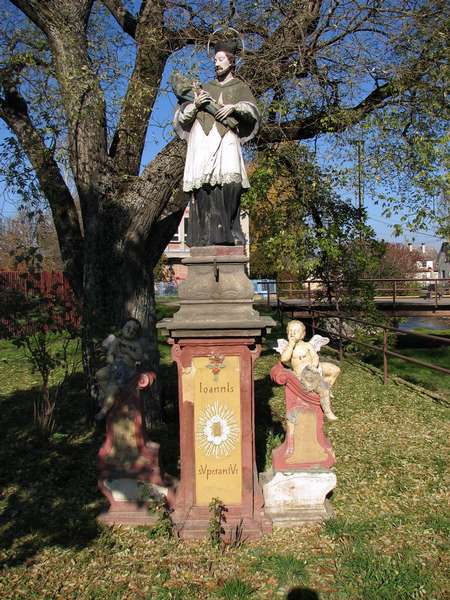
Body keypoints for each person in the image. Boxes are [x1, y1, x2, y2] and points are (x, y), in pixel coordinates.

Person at [173, 39, 260, 247]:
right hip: (202, 139)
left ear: (232, 61)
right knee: (204, 185)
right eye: (215, 60)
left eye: (220, 59)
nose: (216, 63)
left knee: (232, 182)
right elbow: (181, 116)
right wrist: (196, 105)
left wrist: (234, 107)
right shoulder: (204, 88)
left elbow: (253, 111)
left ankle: (229, 230)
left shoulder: (240, 87)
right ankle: (205, 234)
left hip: (226, 136)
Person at [280, 320, 339, 421]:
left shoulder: (307, 345)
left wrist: (314, 364)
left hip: (313, 368)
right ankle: (328, 411)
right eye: (290, 331)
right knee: (324, 390)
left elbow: (315, 357)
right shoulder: (289, 348)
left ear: (303, 334)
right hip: (304, 374)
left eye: (295, 331)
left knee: (335, 370)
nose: (292, 333)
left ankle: (327, 387)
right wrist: (291, 345)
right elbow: (284, 359)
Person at [95, 318, 149, 420]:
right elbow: (110, 353)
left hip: (127, 370)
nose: (130, 331)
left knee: (113, 388)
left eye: (134, 330)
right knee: (100, 374)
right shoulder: (117, 341)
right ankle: (110, 397)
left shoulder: (135, 344)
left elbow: (139, 356)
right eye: (128, 327)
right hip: (114, 366)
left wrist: (129, 352)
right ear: (123, 328)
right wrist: (111, 359)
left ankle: (104, 410)